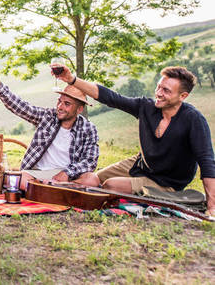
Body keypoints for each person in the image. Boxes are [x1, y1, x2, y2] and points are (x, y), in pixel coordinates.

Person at [56, 65, 215, 217]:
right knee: (93, 178)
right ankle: (57, 192)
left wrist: (212, 205)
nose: (158, 93)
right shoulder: (146, 107)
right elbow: (112, 98)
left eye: (166, 90)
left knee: (111, 185)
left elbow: (207, 161)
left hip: (166, 182)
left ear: (183, 96)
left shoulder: (193, 119)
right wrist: (71, 79)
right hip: (141, 164)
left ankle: (79, 196)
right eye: (158, 87)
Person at [0, 70, 100, 188]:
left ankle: (49, 189)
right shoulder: (48, 117)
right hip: (38, 174)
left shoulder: (88, 128)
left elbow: (90, 161)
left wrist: (67, 173)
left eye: (67, 104)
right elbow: (22, 108)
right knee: (13, 179)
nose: (60, 107)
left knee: (92, 180)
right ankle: (50, 188)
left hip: (68, 177)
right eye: (59, 101)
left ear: (79, 109)